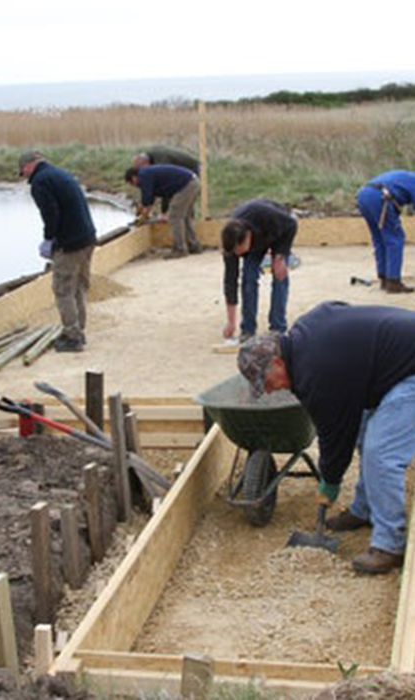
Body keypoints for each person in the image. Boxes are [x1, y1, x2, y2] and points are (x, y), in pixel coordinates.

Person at [237, 301, 415, 574]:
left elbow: (335, 436)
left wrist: (329, 482)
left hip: (409, 372)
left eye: (268, 382)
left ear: (277, 361)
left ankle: (390, 545)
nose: (271, 391)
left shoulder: (314, 372)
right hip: (393, 364)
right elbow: (335, 307)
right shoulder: (303, 336)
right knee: (367, 432)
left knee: (382, 453)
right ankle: (364, 509)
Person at [19, 150, 97, 352]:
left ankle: (73, 337)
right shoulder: (59, 174)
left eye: (23, 172)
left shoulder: (40, 182)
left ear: (28, 166)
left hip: (69, 243)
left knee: (63, 289)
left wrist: (49, 239)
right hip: (87, 238)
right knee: (78, 286)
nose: (25, 176)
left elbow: (50, 213)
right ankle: (79, 330)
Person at [221, 199, 298, 342]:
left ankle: (278, 328)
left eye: (240, 251)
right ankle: (248, 329)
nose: (238, 255)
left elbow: (291, 224)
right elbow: (230, 282)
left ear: (248, 236)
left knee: (280, 277)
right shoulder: (231, 245)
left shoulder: (267, 215)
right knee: (248, 278)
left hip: (277, 235)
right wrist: (231, 322)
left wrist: (280, 255)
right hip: (256, 243)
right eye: (235, 253)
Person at [124, 164, 202, 258]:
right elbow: (151, 199)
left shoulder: (144, 176)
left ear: (134, 177)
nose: (134, 185)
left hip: (186, 185)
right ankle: (194, 245)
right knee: (185, 217)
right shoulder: (147, 174)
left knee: (174, 217)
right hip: (192, 182)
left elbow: (148, 203)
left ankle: (180, 249)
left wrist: (141, 220)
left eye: (132, 183)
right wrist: (142, 210)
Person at [357, 170, 415, 293]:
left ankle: (384, 279)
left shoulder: (407, 176)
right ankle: (393, 282)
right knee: (395, 239)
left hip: (364, 195)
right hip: (380, 198)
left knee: (380, 238)